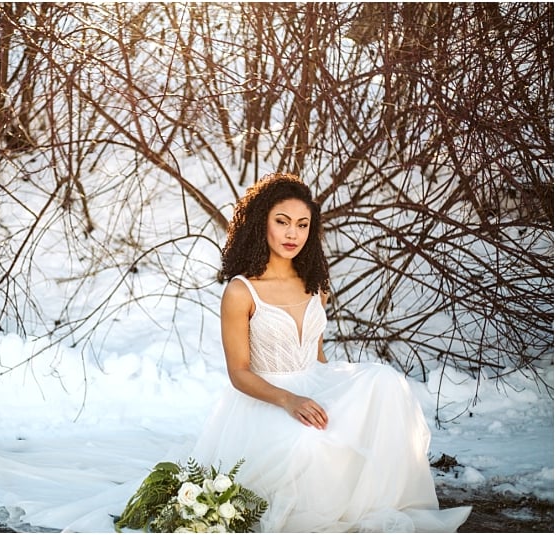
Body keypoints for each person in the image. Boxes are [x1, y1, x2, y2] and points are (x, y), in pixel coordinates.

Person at [189, 172, 472, 532]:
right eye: (283, 222)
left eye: (303, 225)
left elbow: (316, 357)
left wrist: (335, 393)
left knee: (384, 381)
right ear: (261, 224)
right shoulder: (241, 291)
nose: (293, 233)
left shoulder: (315, 284)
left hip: (313, 382)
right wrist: (290, 400)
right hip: (266, 399)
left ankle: (375, 500)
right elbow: (239, 373)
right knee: (307, 442)